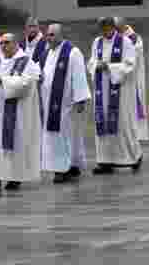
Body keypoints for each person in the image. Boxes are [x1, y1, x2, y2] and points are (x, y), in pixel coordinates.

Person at [0, 33, 42, 192]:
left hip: (16, 111)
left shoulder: (25, 61)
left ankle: (14, 177)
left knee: (14, 141)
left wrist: (3, 80)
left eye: (7, 43)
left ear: (15, 44)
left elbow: (27, 83)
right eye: (1, 43)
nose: (3, 46)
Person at [87, 17, 143, 174]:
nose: (105, 31)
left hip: (121, 91)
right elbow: (91, 62)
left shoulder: (125, 43)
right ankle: (105, 160)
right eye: (103, 28)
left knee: (123, 123)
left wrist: (110, 68)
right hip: (101, 90)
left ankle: (132, 157)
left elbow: (130, 65)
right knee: (103, 122)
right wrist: (95, 65)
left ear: (114, 27)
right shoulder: (96, 42)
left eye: (108, 27)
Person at [40, 23, 89, 183]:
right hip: (50, 103)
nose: (49, 37)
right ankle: (67, 165)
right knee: (57, 135)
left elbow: (79, 75)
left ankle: (63, 168)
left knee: (66, 135)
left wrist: (80, 98)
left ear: (61, 35)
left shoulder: (73, 52)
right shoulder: (47, 53)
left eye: (52, 34)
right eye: (47, 34)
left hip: (68, 102)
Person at [116, 17, 149, 142]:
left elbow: (133, 54)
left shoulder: (134, 38)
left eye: (118, 29)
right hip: (121, 75)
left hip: (134, 76)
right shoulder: (118, 37)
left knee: (136, 101)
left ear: (124, 26)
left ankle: (139, 134)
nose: (116, 32)